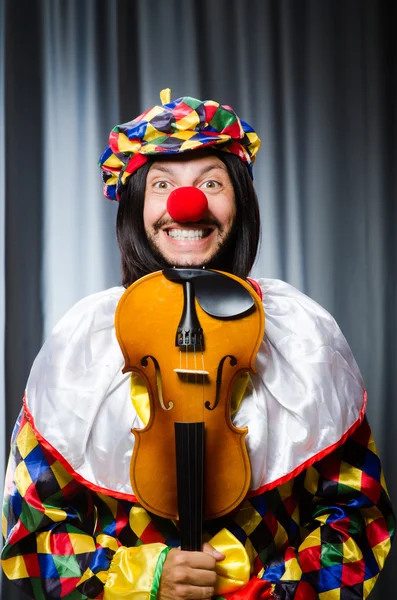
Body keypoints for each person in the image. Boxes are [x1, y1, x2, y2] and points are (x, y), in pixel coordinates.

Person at [1, 89, 395, 600]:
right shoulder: (85, 340)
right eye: (162, 184)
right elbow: (31, 531)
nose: (188, 202)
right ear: (137, 205)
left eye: (212, 181)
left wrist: (273, 594)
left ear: (240, 204)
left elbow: (361, 516)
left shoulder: (302, 334)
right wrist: (138, 581)